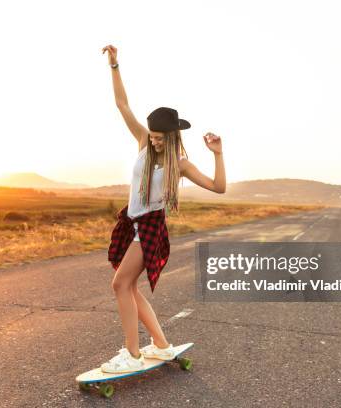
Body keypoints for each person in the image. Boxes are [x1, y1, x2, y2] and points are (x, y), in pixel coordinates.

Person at [100, 44, 226, 374]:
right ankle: (160, 343)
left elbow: (218, 187)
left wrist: (217, 154)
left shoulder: (181, 165)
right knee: (128, 286)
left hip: (150, 228)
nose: (154, 141)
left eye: (159, 138)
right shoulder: (142, 142)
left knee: (120, 285)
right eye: (152, 136)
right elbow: (122, 104)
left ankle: (132, 353)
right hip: (132, 222)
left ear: (171, 137)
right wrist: (115, 66)